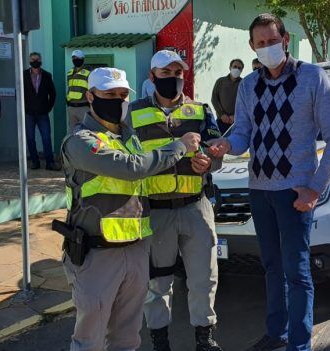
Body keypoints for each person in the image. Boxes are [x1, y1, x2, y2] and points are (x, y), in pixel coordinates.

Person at [207, 14, 330, 351]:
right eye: (261, 43)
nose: (267, 47)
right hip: (260, 191)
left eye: (273, 41)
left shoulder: (312, 77)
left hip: (295, 192)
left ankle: (300, 344)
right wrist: (226, 144)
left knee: (297, 272)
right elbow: (242, 133)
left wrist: (314, 187)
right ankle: (277, 332)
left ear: (285, 40)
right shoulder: (249, 86)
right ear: (253, 47)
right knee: (271, 267)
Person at [59, 67, 201, 350]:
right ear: (90, 96)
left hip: (135, 250)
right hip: (96, 254)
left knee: (127, 337)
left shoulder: (129, 138)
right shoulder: (80, 140)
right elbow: (131, 169)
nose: (118, 100)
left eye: (123, 95)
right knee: (90, 340)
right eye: (109, 94)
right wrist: (179, 147)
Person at [127, 50, 223, 351]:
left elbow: (215, 153)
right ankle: (160, 341)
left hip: (196, 206)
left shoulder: (200, 110)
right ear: (152, 77)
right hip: (155, 211)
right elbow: (128, 160)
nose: (173, 79)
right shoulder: (132, 114)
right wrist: (175, 147)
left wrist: (208, 162)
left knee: (204, 278)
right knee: (157, 284)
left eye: (178, 74)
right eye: (166, 74)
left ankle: (204, 338)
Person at [23, 52, 59, 170]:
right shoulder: (24, 75)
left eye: (37, 59)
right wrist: (24, 108)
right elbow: (19, 93)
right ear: (29, 61)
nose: (35, 61)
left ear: (41, 60)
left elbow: (53, 94)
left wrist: (48, 108)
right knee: (30, 138)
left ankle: (50, 162)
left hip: (43, 113)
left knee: (46, 138)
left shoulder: (47, 75)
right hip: (29, 113)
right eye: (33, 59)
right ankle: (35, 161)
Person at [211, 58, 244, 134]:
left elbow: (246, 102)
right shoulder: (220, 81)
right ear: (230, 67)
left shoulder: (244, 83)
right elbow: (214, 99)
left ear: (242, 70)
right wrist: (222, 114)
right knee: (218, 143)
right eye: (234, 66)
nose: (237, 69)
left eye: (239, 68)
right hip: (221, 120)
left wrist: (236, 116)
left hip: (237, 122)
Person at [66, 50, 91, 129]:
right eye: (74, 58)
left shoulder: (89, 71)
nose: (75, 60)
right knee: (73, 132)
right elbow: (69, 88)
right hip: (71, 107)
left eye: (78, 58)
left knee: (86, 131)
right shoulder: (70, 72)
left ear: (82, 59)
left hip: (84, 106)